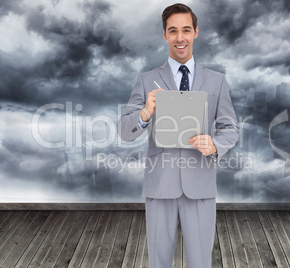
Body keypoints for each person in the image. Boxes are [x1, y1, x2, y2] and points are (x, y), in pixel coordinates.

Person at [118, 3, 239, 268]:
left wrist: (215, 145)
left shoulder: (217, 81)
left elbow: (231, 129)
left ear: (196, 32)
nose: (180, 38)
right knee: (159, 263)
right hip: (160, 184)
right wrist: (145, 113)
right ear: (164, 35)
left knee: (200, 263)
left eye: (186, 30)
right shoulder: (147, 80)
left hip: (201, 184)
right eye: (173, 31)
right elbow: (124, 131)